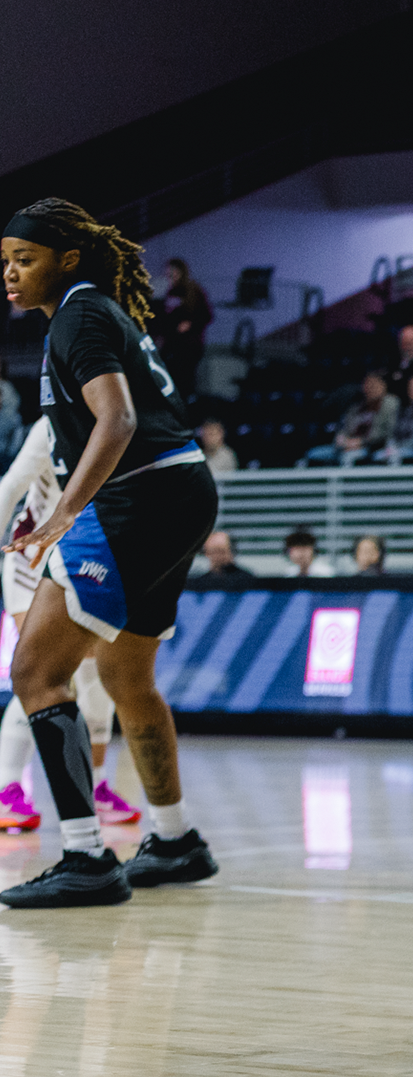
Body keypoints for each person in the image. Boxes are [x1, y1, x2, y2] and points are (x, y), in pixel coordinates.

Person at [0, 197, 220, 906]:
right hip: (180, 490)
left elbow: (118, 418)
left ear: (66, 260)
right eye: (4, 261)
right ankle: (176, 837)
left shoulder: (80, 315)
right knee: (128, 675)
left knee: (35, 670)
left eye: (24, 259)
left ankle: (87, 857)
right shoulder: (90, 313)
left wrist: (63, 512)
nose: (9, 273)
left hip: (138, 496)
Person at [0, 413, 138, 833]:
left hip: (89, 562)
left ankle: (95, 788)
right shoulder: (51, 426)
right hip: (32, 561)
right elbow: (9, 489)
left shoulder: (133, 424)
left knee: (99, 673)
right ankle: (6, 788)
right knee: (43, 668)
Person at [304, 371, 397, 466]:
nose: (369, 387)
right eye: (366, 383)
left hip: (372, 447)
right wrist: (343, 440)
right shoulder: (357, 405)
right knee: (312, 454)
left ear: (382, 386)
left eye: (373, 383)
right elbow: (344, 427)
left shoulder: (390, 404)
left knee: (348, 456)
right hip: (348, 445)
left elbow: (385, 432)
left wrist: (361, 442)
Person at [156, 257, 212, 400]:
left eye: (174, 273)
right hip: (172, 346)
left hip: (189, 346)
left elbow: (207, 315)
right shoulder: (169, 293)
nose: (171, 277)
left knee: (185, 382)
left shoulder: (194, 291)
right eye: (168, 274)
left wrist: (191, 324)